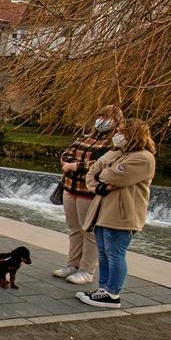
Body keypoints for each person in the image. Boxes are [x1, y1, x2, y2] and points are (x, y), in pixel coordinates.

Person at [76, 119, 156, 308]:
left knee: (115, 254)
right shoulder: (119, 154)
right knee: (103, 253)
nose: (116, 135)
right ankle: (103, 289)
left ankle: (113, 293)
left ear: (134, 135)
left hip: (122, 215)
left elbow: (111, 175)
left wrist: (103, 174)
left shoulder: (143, 158)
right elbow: (94, 172)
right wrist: (102, 178)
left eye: (121, 132)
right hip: (104, 211)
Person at [54, 105, 123, 286]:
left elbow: (102, 163)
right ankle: (72, 264)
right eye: (99, 116)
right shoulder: (86, 137)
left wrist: (75, 166)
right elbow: (67, 153)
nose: (101, 120)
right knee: (74, 229)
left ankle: (87, 270)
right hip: (70, 189)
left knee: (88, 231)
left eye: (106, 117)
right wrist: (68, 162)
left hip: (88, 192)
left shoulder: (113, 144)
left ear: (115, 121)